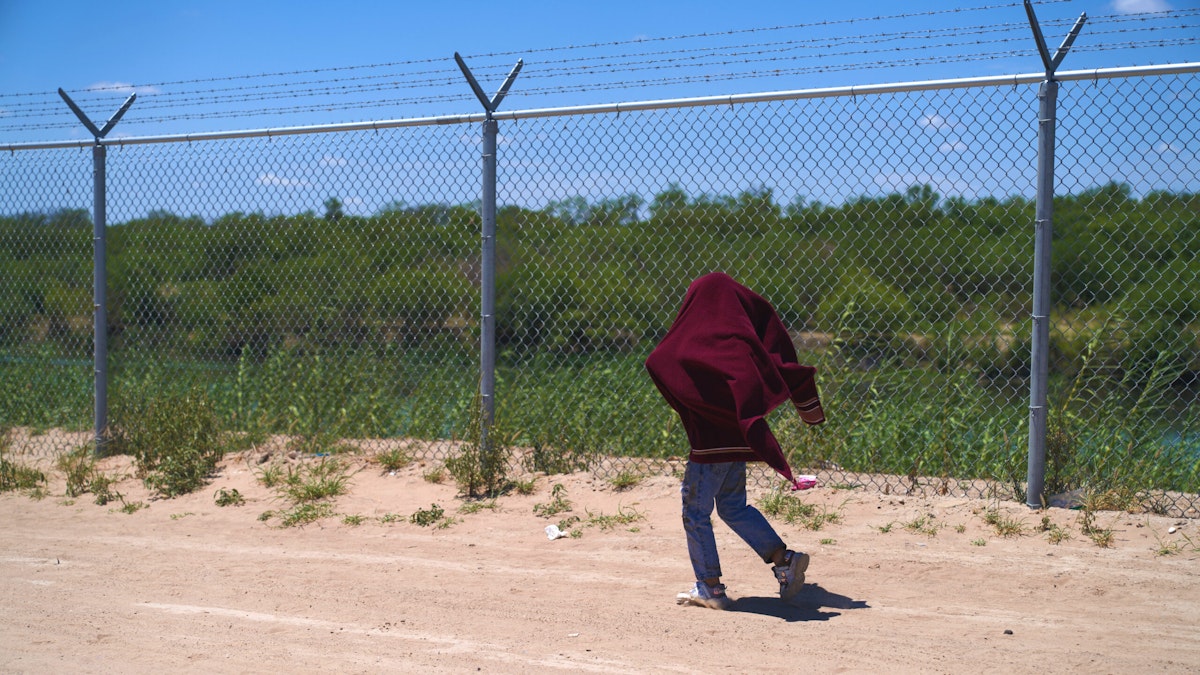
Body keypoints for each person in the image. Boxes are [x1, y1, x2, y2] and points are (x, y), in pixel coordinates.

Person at [644, 272, 826, 610]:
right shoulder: (737, 344)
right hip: (737, 441)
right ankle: (783, 560)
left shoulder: (694, 343)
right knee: (732, 507)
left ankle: (709, 587)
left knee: (694, 512)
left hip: (709, 447)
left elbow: (658, 359)